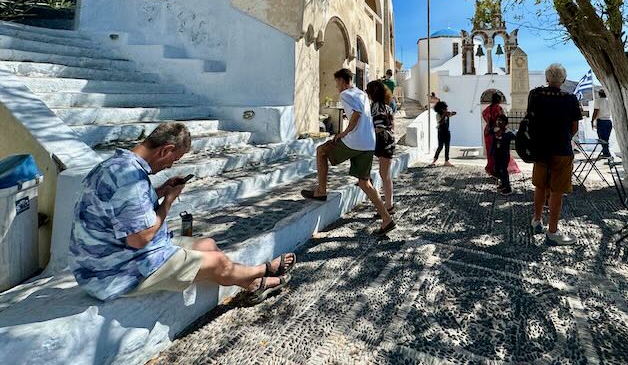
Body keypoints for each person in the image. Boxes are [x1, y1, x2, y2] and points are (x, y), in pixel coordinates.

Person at [68, 122, 294, 303]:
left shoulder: (117, 165)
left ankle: (253, 285)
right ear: (165, 150)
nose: (169, 166)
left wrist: (159, 191)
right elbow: (139, 239)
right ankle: (262, 271)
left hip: (115, 257)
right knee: (215, 262)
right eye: (173, 159)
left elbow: (125, 208)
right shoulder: (129, 178)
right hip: (113, 272)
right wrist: (168, 201)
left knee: (208, 245)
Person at [302, 68, 395, 235]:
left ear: (343, 81)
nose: (336, 86)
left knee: (321, 151)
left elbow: (356, 115)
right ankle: (386, 219)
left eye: (337, 82)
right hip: (369, 143)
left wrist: (342, 134)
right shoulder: (361, 93)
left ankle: (321, 191)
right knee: (364, 182)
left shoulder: (345, 95)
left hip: (355, 141)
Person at [528, 63, 583, 246]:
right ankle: (552, 232)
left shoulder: (535, 95)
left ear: (546, 78)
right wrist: (564, 137)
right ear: (564, 80)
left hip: (540, 149)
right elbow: (574, 127)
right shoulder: (571, 99)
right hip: (561, 150)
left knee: (540, 186)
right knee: (557, 191)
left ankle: (536, 220)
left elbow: (531, 118)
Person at [366, 80, 396, 218]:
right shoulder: (387, 107)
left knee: (385, 176)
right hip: (389, 142)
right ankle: (388, 205)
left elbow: (379, 127)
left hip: (383, 143)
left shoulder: (376, 107)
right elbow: (392, 125)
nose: (367, 94)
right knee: (386, 175)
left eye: (368, 91)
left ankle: (388, 207)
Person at [492, 114, 515, 195]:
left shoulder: (507, 132)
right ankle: (503, 184)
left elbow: (512, 136)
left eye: (501, 120)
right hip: (497, 154)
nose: (498, 122)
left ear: (505, 123)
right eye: (497, 120)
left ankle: (508, 187)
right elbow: (493, 142)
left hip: (504, 155)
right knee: (498, 170)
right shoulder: (495, 130)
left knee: (503, 170)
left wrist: (503, 135)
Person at [482, 93, 505, 178]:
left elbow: (483, 114)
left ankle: (491, 169)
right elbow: (502, 119)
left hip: (488, 131)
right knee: (497, 152)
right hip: (496, 131)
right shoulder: (498, 108)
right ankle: (496, 171)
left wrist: (489, 122)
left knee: (490, 152)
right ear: (498, 99)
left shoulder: (488, 108)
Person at [432, 101, 456, 166]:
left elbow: (454, 113)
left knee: (447, 146)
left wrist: (450, 113)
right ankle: (434, 159)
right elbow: (440, 122)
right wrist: (444, 115)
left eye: (446, 109)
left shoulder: (447, 114)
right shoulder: (438, 115)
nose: (446, 110)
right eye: (444, 109)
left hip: (447, 131)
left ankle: (446, 161)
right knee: (440, 146)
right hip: (441, 131)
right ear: (441, 109)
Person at [591, 88, 613, 158]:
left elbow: (596, 111)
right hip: (608, 121)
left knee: (602, 139)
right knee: (606, 139)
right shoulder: (609, 101)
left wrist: (592, 120)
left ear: (599, 94)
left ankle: (606, 153)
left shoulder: (598, 101)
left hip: (601, 122)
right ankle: (606, 152)